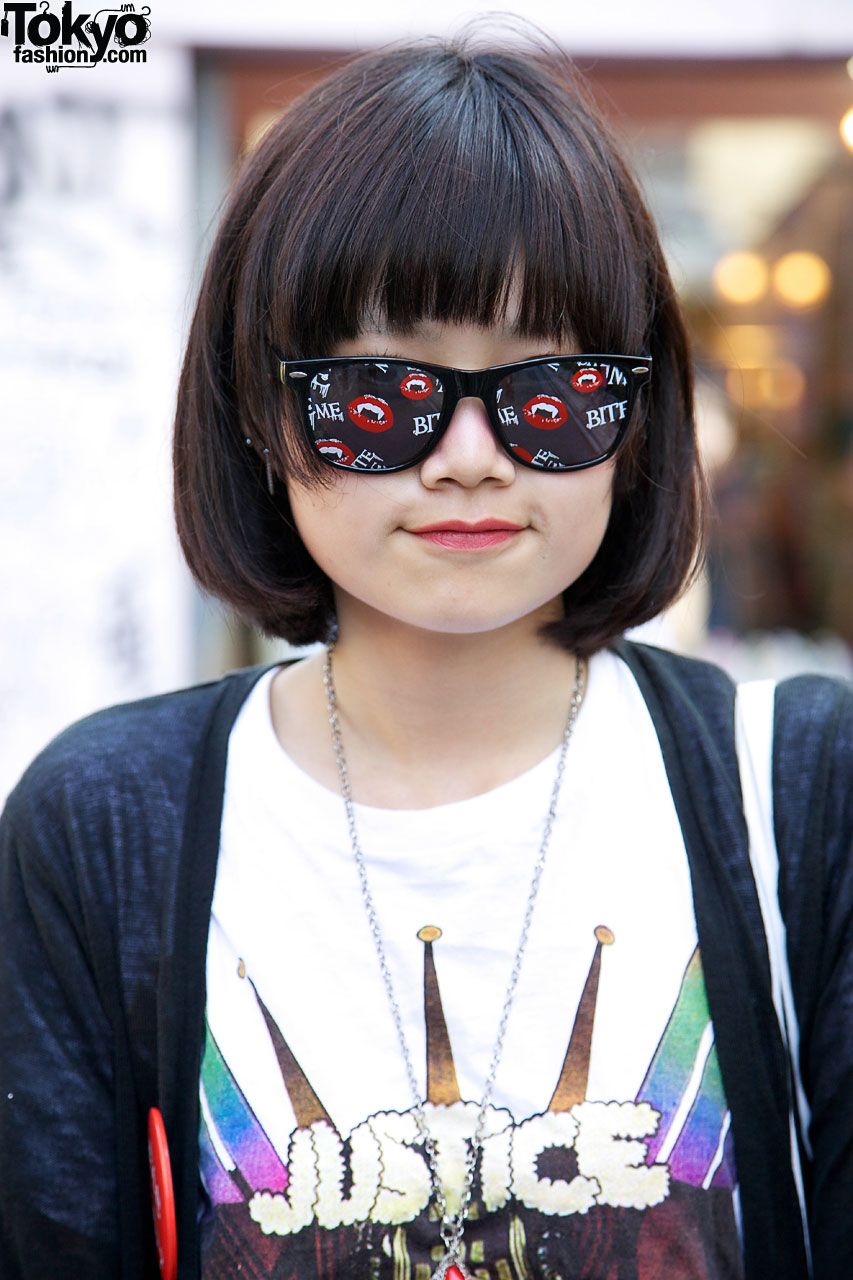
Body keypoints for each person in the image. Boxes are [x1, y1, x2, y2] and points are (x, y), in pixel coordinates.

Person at [1, 33, 851, 1280]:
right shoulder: (107, 823)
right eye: (378, 395)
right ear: (257, 405)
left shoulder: (801, 792)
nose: (466, 454)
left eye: (548, 393)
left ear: (636, 418)